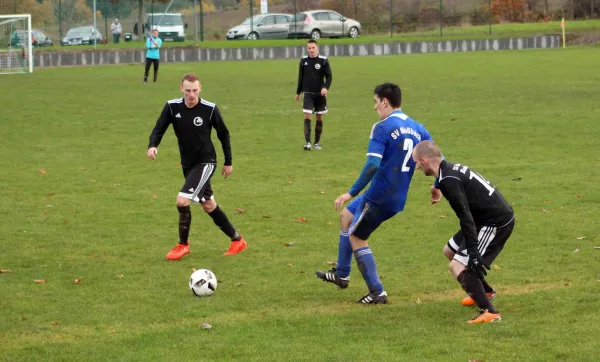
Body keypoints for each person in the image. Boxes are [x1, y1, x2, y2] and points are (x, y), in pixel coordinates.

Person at [315, 83, 434, 304]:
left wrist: (350, 193)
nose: (375, 107)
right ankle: (341, 273)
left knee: (357, 237)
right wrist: (437, 184)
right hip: (397, 195)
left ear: (385, 102)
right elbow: (435, 156)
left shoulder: (382, 127)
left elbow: (372, 164)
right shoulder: (419, 128)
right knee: (346, 217)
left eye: (375, 102)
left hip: (379, 195)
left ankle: (377, 292)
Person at [412, 140, 515, 324]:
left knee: (457, 266)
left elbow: (465, 217)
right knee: (449, 251)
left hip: (494, 222)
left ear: (425, 160)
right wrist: (436, 186)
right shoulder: (447, 171)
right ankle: (486, 292)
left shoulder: (448, 180)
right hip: (482, 219)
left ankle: (490, 312)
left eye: (417, 162)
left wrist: (474, 253)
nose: (417, 167)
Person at [147, 73, 248, 260]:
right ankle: (237, 240)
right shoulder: (172, 107)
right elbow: (159, 128)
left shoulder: (209, 109)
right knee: (209, 205)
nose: (191, 95)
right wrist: (153, 145)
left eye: (194, 90)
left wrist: (228, 162)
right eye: (187, 91)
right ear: (181, 89)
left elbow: (224, 135)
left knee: (182, 201)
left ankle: (182, 245)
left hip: (206, 162)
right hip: (188, 165)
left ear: (200, 88)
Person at [295, 39, 332, 151]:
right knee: (307, 116)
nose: (311, 50)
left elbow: (329, 76)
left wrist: (325, 87)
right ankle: (308, 143)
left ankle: (316, 143)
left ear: (317, 48)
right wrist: (298, 92)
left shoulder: (323, 61)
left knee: (319, 117)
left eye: (313, 48)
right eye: (309, 48)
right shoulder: (303, 61)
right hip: (308, 93)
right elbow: (300, 78)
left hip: (320, 94)